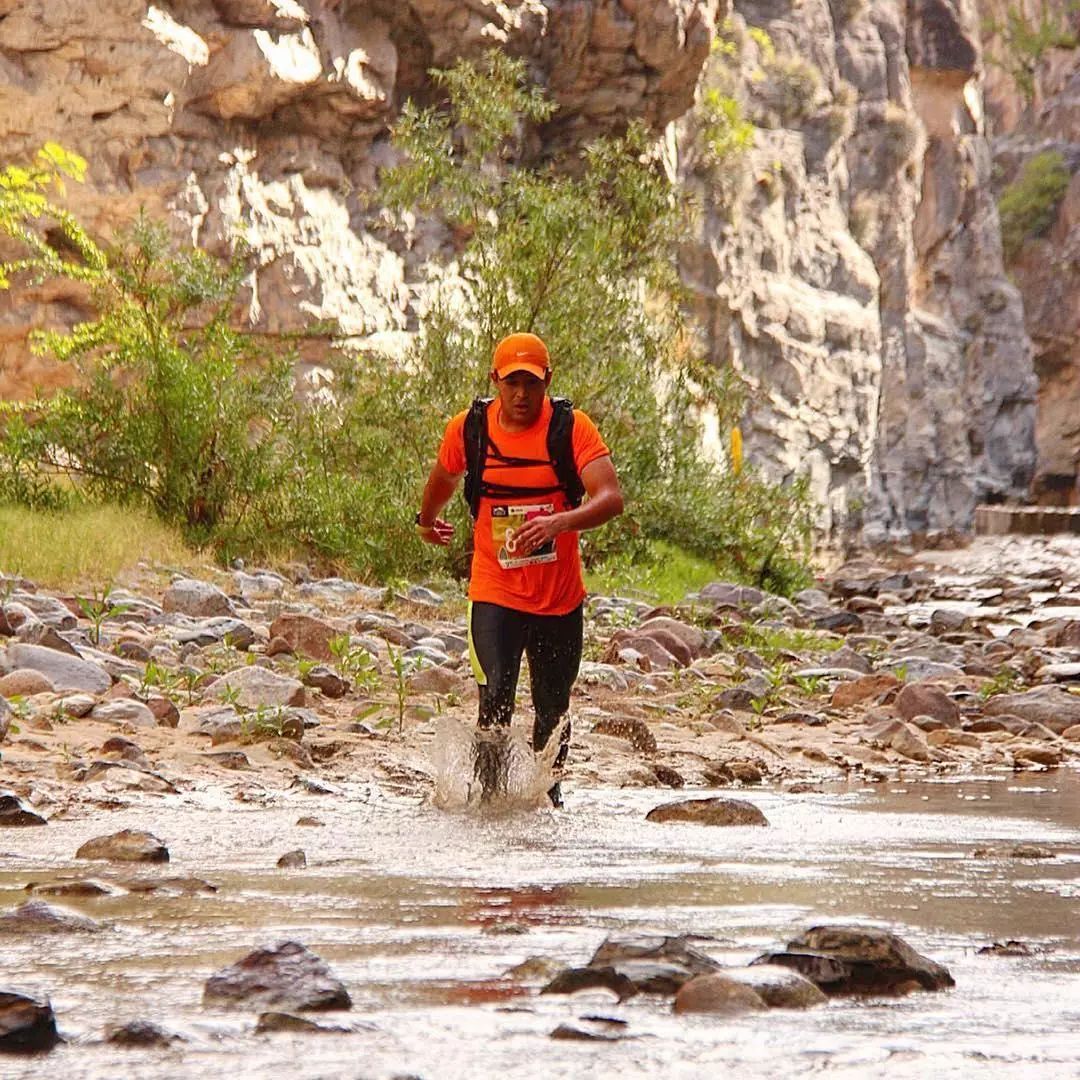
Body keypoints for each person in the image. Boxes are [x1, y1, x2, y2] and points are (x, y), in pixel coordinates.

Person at [415, 332, 624, 806]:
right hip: (495, 591)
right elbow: (444, 477)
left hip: (560, 599)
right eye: (512, 383)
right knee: (494, 704)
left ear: (548, 380)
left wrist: (559, 522)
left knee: (553, 708)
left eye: (532, 383)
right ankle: (489, 803)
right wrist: (426, 522)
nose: (522, 395)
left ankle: (549, 801)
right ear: (496, 380)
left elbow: (611, 498)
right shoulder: (469, 430)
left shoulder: (572, 429)